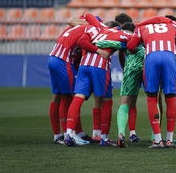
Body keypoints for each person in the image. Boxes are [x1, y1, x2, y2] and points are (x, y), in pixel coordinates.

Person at [127, 16, 176, 148]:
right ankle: (170, 140)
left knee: (152, 98)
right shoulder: (173, 25)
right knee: (170, 98)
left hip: (152, 57)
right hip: (170, 57)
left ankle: (157, 140)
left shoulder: (141, 27)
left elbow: (130, 46)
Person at [64, 22, 134, 147]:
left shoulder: (97, 30)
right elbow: (132, 42)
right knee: (107, 101)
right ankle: (104, 138)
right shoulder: (121, 34)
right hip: (100, 66)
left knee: (78, 98)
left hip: (84, 65)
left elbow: (81, 41)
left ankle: (68, 134)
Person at [48, 13, 105, 145]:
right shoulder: (91, 30)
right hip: (63, 60)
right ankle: (70, 134)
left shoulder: (75, 27)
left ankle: (60, 135)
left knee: (57, 97)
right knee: (73, 97)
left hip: (53, 57)